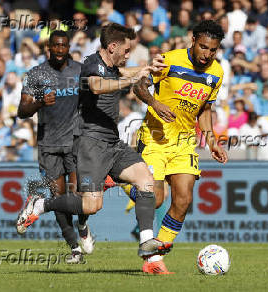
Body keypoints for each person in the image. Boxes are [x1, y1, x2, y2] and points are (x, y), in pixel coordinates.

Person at [16, 25, 172, 264]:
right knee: (91, 205)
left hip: (112, 142)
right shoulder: (91, 63)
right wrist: (131, 78)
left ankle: (146, 241)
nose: (128, 54)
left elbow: (121, 73)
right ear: (113, 47)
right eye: (127, 50)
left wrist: (145, 68)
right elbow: (98, 85)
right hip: (91, 143)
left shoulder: (111, 67)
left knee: (145, 179)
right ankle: (42, 204)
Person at [131, 20, 228, 273]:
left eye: (213, 50)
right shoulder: (169, 60)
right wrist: (154, 103)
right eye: (204, 47)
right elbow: (138, 86)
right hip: (155, 137)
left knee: (184, 199)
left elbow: (205, 109)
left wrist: (212, 140)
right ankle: (123, 178)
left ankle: (155, 257)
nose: (207, 54)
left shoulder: (216, 73)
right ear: (193, 40)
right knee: (156, 197)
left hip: (185, 141)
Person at [17, 30, 93, 263]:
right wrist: (40, 102)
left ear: (69, 47)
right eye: (55, 46)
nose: (60, 50)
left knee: (80, 196)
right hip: (48, 145)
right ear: (48, 47)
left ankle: (82, 224)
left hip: (75, 142)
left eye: (64, 46)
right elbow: (22, 112)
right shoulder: (36, 74)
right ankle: (74, 249)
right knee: (58, 196)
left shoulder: (80, 71)